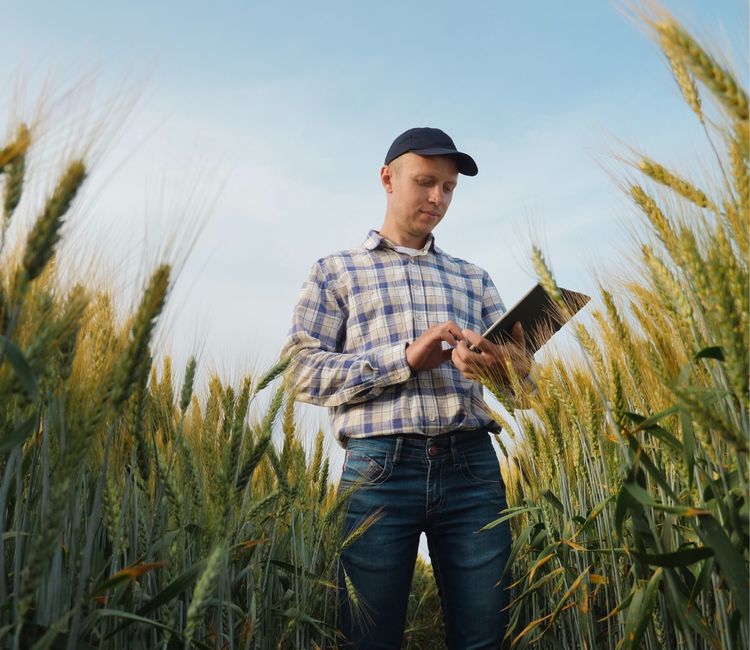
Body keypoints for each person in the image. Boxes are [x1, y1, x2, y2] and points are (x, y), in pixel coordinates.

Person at [282, 127, 530, 648]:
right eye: (425, 182)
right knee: (368, 637)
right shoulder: (336, 271)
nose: (438, 198)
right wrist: (405, 360)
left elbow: (524, 386)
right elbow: (300, 372)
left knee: (485, 635)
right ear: (387, 178)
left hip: (472, 467)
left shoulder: (474, 278)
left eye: (449, 188)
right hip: (378, 470)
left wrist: (500, 369)